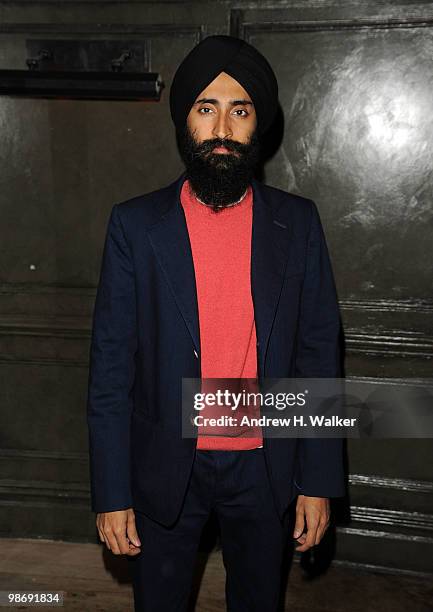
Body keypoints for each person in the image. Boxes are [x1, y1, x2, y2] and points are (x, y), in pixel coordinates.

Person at [87, 34, 346, 611]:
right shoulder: (135, 226)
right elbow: (110, 369)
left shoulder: (298, 224)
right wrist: (111, 490)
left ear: (259, 125)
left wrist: (318, 479)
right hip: (164, 466)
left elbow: (318, 353)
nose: (223, 128)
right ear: (186, 120)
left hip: (265, 464)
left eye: (241, 109)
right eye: (207, 108)